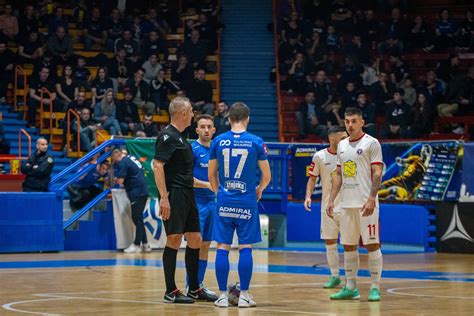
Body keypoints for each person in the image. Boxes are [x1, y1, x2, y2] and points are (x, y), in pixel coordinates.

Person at [209, 102, 272, 308]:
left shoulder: (218, 140)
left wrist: (219, 192)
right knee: (246, 247)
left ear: (228, 119)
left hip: (225, 201)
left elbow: (211, 175)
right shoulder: (255, 141)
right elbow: (267, 175)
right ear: (248, 118)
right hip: (247, 200)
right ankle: (244, 295)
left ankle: (222, 297)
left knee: (222, 248)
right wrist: (259, 190)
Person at [153, 97, 214, 303]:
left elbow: (186, 176)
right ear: (183, 114)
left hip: (188, 194)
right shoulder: (167, 136)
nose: (193, 115)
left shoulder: (181, 138)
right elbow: (157, 166)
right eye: (191, 112)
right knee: (174, 239)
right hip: (174, 194)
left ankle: (194, 288)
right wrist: (164, 197)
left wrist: (208, 185)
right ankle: (170, 291)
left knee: (195, 238)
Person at [327, 107, 384, 302]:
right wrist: (332, 199)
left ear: (362, 122)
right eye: (347, 121)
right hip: (346, 204)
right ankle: (351, 287)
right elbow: (339, 175)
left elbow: (377, 173)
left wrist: (371, 198)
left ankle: (375, 287)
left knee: (372, 244)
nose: (350, 125)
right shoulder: (342, 145)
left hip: (366, 204)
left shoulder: (372, 143)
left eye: (353, 121)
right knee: (348, 246)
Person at [304, 126, 348, 288]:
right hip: (327, 207)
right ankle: (335, 275)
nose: (346, 139)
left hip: (347, 207)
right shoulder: (319, 156)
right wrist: (308, 196)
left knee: (349, 244)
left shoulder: (350, 155)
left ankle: (350, 280)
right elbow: (312, 178)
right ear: (332, 139)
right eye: (342, 137)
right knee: (330, 242)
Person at [190, 114, 219, 297]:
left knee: (207, 244)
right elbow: (186, 178)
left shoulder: (217, 150)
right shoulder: (192, 149)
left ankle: (198, 285)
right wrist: (207, 185)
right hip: (196, 202)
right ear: (197, 130)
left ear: (214, 130)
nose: (206, 130)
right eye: (203, 126)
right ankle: (190, 285)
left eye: (209, 126)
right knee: (195, 243)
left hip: (212, 203)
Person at [112, 149, 151, 253]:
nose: (113, 161)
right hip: (143, 190)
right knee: (139, 218)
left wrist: (114, 179)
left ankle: (137, 245)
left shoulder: (123, 162)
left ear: (116, 156)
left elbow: (120, 181)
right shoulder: (130, 158)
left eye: (113, 158)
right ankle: (146, 245)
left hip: (137, 192)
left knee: (137, 218)